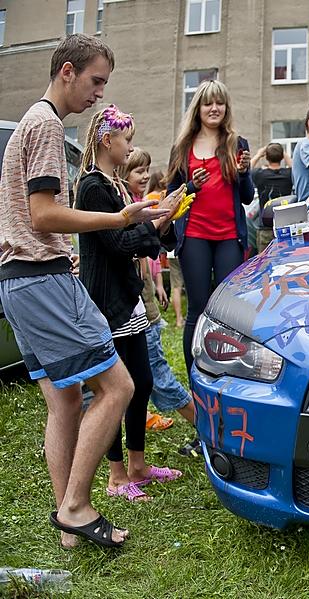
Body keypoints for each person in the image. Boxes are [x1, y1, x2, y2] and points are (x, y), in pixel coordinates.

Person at [0, 34, 167, 549]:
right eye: (96, 81)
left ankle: (68, 521)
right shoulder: (47, 123)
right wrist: (118, 217)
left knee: (65, 403)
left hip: (15, 282)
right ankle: (75, 507)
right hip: (41, 277)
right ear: (67, 71)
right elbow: (43, 213)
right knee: (118, 388)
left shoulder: (29, 122)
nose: (99, 94)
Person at [76, 106, 184, 503]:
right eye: (127, 139)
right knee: (114, 393)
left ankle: (138, 466)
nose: (131, 147)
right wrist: (157, 222)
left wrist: (165, 218)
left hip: (129, 299)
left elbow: (137, 235)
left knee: (142, 383)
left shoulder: (115, 185)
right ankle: (117, 475)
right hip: (108, 303)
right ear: (108, 140)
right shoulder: (92, 187)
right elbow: (119, 243)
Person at [166, 79, 255, 374]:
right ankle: (196, 376)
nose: (214, 108)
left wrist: (243, 174)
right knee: (199, 307)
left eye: (220, 103)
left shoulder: (237, 144)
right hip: (195, 236)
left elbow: (247, 197)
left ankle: (227, 372)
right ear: (198, 109)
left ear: (226, 108)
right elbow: (171, 197)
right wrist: (192, 185)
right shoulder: (183, 147)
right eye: (208, 103)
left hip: (230, 236)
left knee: (227, 311)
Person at [119, 149, 197, 449]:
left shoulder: (138, 206)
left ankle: (205, 430)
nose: (143, 175)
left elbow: (146, 255)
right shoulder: (126, 208)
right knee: (135, 380)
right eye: (137, 170)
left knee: (159, 378)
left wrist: (157, 284)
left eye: (146, 170)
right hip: (134, 312)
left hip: (145, 313)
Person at [148, 171, 186, 328]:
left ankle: (178, 319)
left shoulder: (148, 197)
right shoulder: (171, 196)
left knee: (176, 285)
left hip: (167, 249)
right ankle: (187, 317)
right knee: (187, 285)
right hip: (180, 243)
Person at [251, 142, 293, 251]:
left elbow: (246, 171)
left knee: (265, 263)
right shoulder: (289, 174)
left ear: (266, 157)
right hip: (285, 227)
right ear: (282, 157)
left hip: (265, 228)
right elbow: (296, 169)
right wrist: (285, 155)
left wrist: (258, 155)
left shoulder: (259, 175)